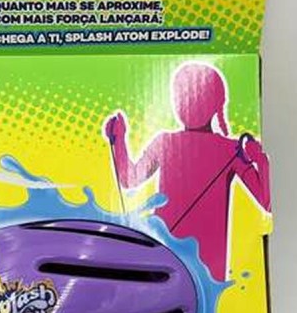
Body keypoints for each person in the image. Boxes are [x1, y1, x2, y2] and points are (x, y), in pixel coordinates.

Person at [104, 62, 270, 281]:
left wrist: (260, 161)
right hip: (166, 254)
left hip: (206, 264)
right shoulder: (164, 142)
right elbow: (129, 179)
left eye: (195, 98)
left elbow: (265, 203)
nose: (185, 105)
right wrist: (118, 141)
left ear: (214, 105)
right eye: (181, 98)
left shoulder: (231, 150)